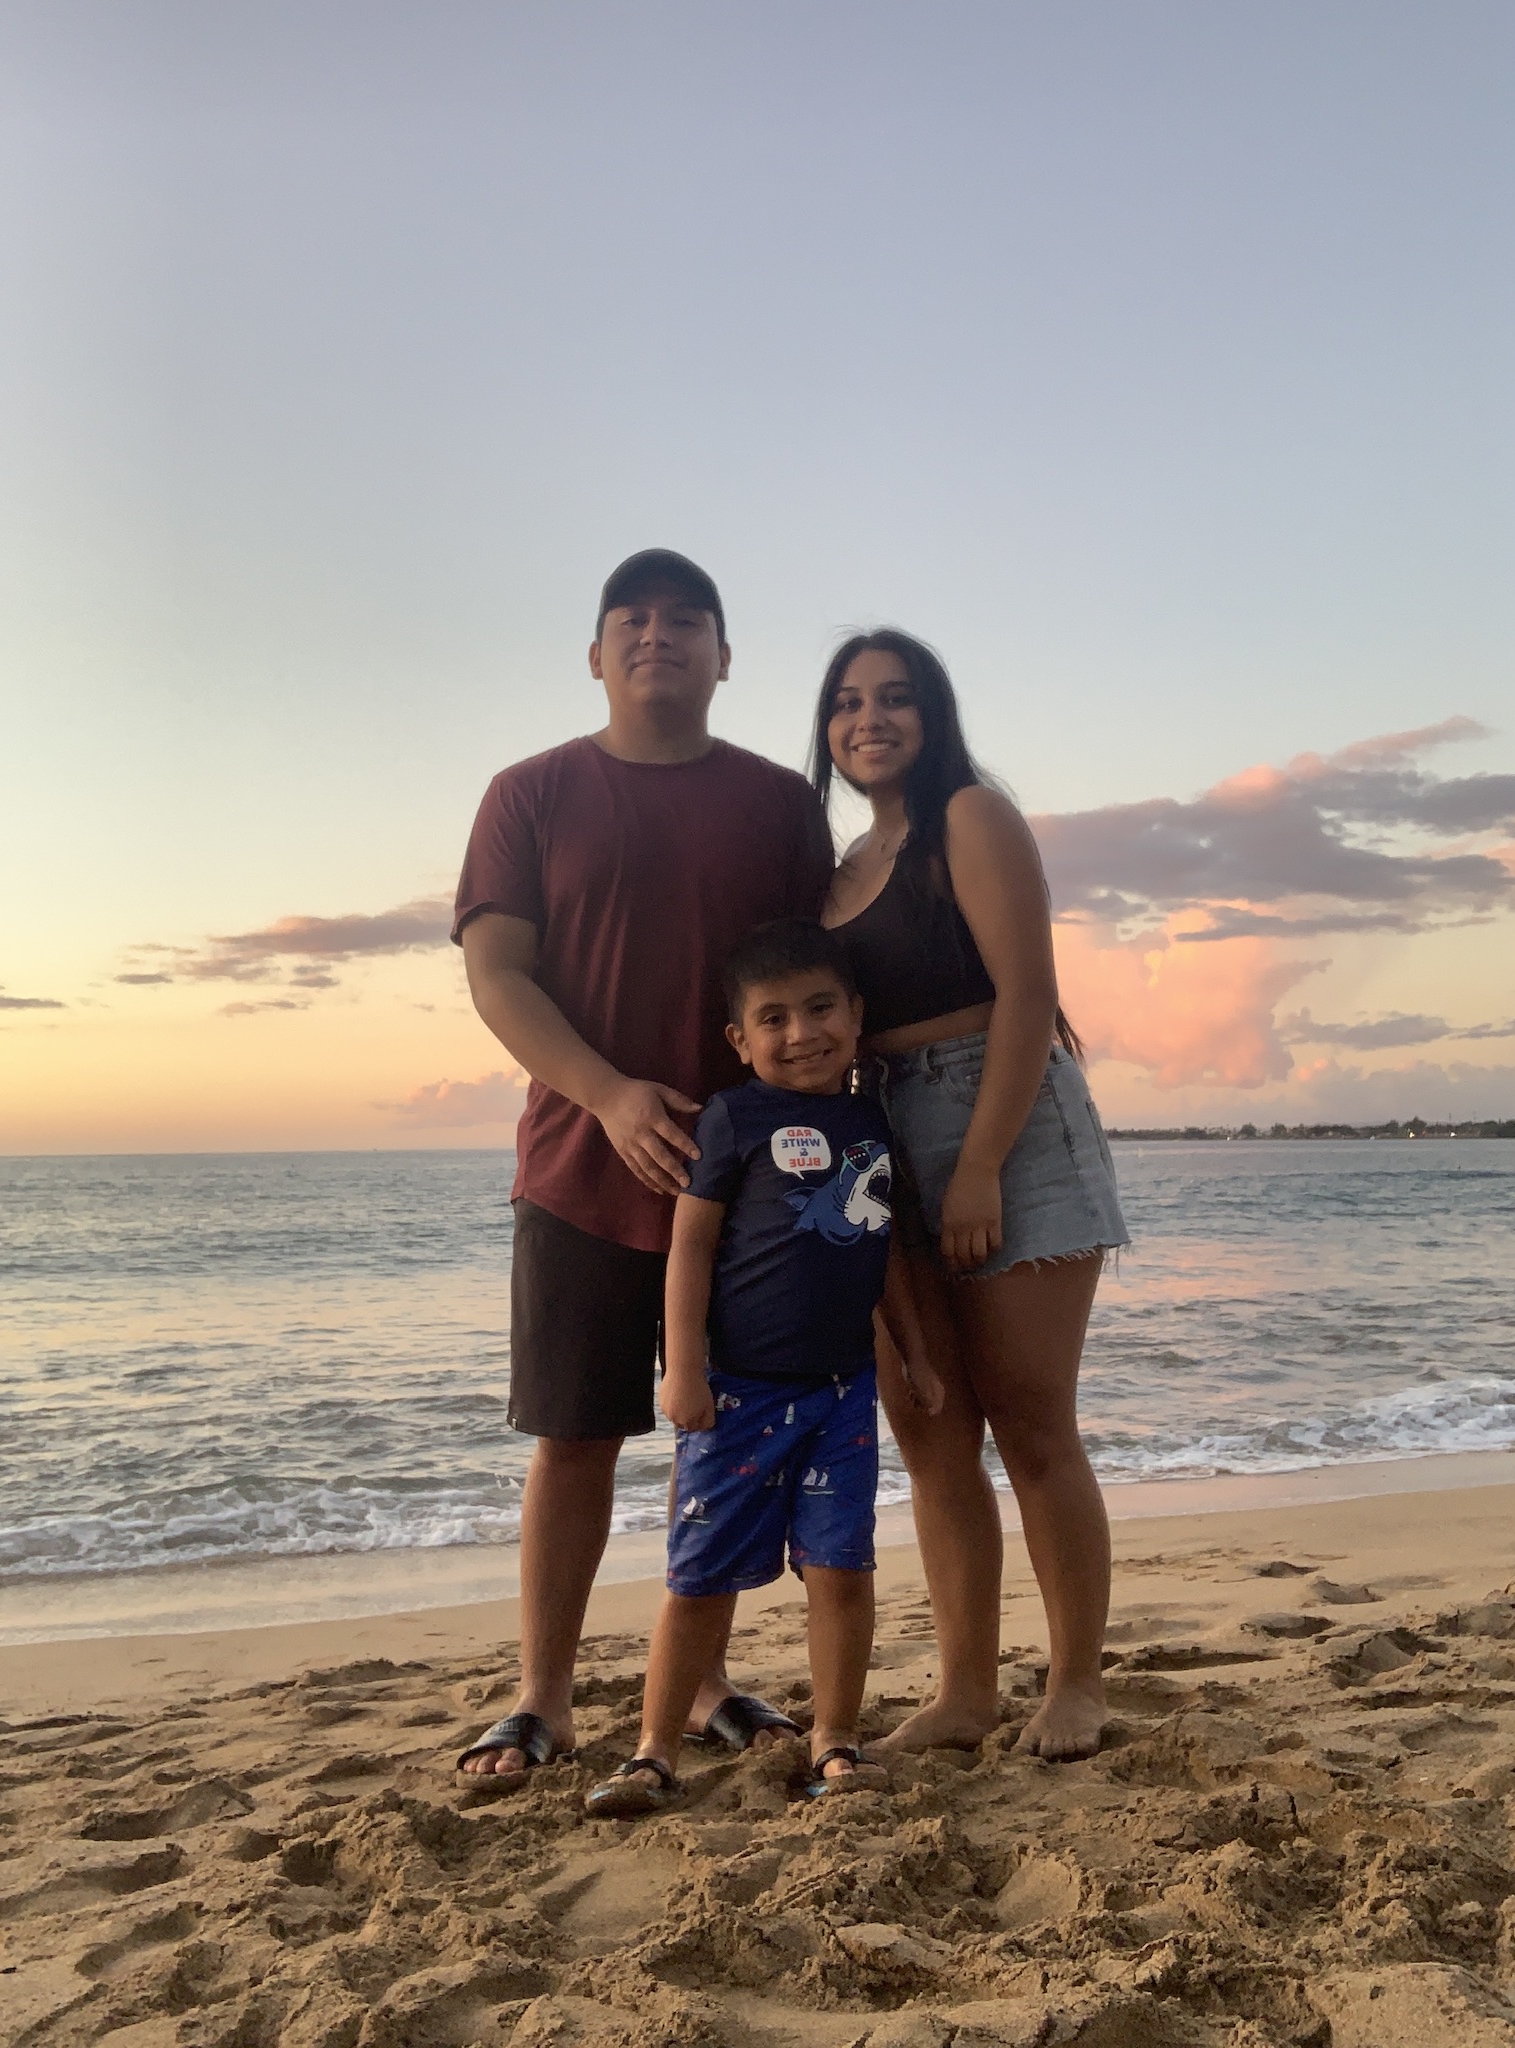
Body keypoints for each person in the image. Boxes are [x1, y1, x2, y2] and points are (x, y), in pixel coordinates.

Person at [452, 550, 834, 1785]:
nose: (657, 636)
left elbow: (813, 989)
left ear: (724, 657)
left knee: (715, 1438)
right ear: (598, 652)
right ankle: (544, 1697)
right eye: (633, 619)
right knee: (574, 1436)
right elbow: (497, 974)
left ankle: (705, 1680)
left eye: (686, 621)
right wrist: (610, 1093)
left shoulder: (780, 804)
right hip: (576, 1162)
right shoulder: (530, 792)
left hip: (751, 1190)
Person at [817, 629, 1129, 1763]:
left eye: (896, 697)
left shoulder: (970, 816)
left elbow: (1029, 994)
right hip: (883, 1134)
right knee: (932, 1424)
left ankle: (1079, 1683)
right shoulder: (843, 864)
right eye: (849, 702)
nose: (871, 718)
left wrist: (983, 1163)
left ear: (932, 713)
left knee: (1031, 1415)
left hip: (1005, 1116)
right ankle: (963, 1692)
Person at [584, 920, 943, 1817]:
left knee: (842, 1570)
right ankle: (654, 1752)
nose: (801, 1034)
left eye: (821, 1009)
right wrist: (684, 1369)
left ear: (856, 1017)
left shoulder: (869, 1120)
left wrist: (918, 1354)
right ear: (741, 1041)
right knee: (700, 1578)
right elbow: (691, 1248)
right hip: (739, 1395)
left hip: (841, 1396)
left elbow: (884, 1249)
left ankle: (836, 1740)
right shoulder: (733, 1117)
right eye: (772, 1019)